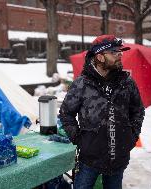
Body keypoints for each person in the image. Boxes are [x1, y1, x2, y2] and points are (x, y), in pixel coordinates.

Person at [59, 35, 145, 189]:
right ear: (100, 57)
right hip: (89, 159)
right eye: (114, 52)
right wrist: (79, 139)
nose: (120, 55)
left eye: (120, 52)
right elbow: (66, 114)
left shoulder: (127, 83)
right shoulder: (82, 84)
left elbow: (138, 111)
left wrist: (131, 136)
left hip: (119, 158)